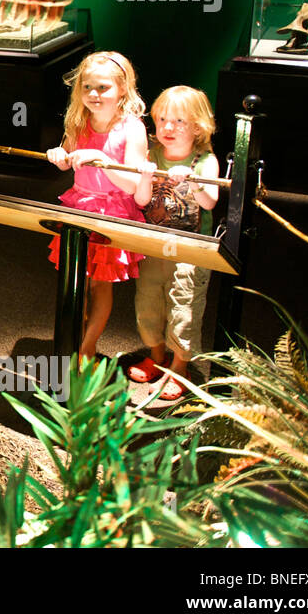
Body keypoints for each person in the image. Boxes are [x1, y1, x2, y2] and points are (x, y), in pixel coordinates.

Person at [46, 51, 149, 360]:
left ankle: (87, 347)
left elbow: (132, 185)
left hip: (113, 212)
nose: (93, 94)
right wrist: (57, 155)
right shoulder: (78, 122)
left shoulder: (132, 128)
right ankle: (74, 341)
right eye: (87, 87)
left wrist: (103, 162)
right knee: (76, 281)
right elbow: (68, 158)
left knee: (101, 286)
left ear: (123, 88)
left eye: (103, 87)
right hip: (79, 207)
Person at [130, 86, 220, 400]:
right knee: (148, 300)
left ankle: (179, 368)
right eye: (163, 119)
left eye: (179, 121)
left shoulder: (204, 159)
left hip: (190, 249)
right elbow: (141, 200)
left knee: (185, 305)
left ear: (198, 127)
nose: (168, 127)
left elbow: (210, 202)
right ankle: (157, 356)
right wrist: (144, 175)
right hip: (154, 243)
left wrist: (194, 181)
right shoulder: (151, 156)